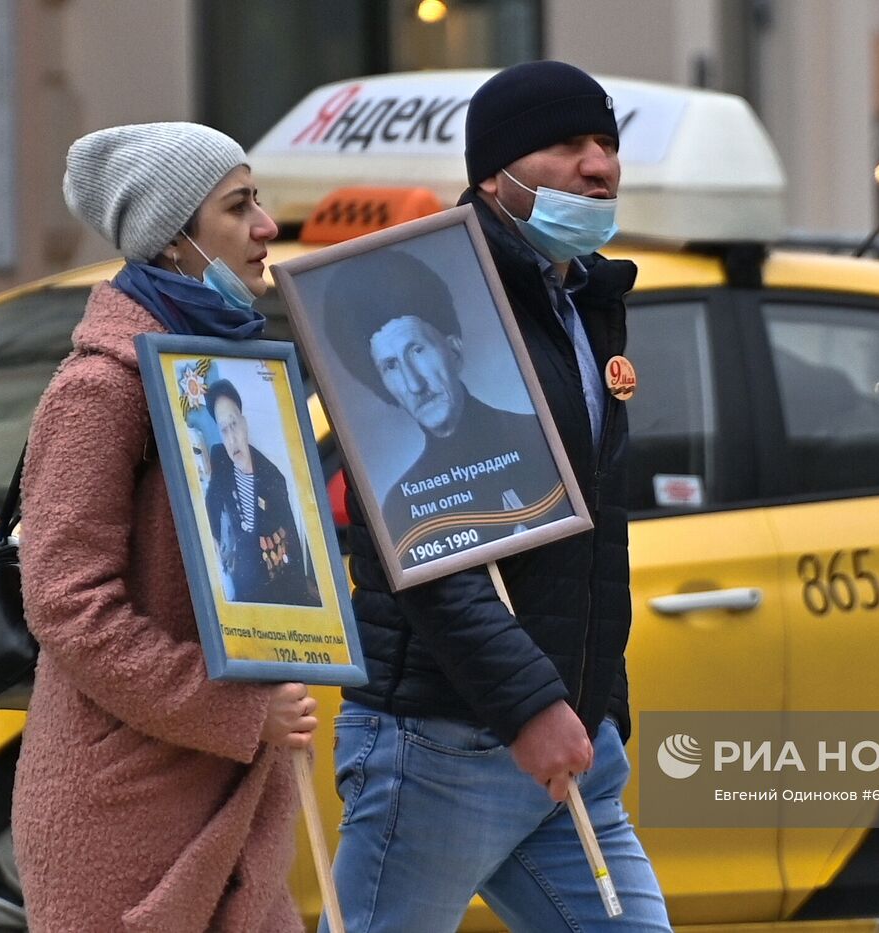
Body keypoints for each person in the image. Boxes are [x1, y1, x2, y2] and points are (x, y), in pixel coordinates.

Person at [327, 61, 672, 931]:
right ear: (496, 174)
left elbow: (587, 531)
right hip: (446, 747)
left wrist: (600, 702)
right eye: (567, 145)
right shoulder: (447, 289)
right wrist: (533, 708)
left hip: (568, 747)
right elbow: (428, 548)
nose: (599, 165)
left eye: (607, 144)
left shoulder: (582, 297)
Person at [15, 122, 318, 932]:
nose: (266, 226)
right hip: (123, 818)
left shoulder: (230, 373)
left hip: (225, 798)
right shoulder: (100, 387)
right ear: (174, 237)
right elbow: (66, 605)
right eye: (239, 204)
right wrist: (239, 709)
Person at [325, 254, 566, 559]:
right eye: (390, 366)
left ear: (454, 349)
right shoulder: (402, 507)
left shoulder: (545, 443)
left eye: (416, 349)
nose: (414, 384)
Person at [203, 378, 320, 606]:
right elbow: (212, 501)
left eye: (234, 424)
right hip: (237, 583)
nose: (232, 438)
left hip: (269, 590)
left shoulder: (272, 479)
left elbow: (292, 550)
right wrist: (216, 539)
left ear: (245, 424)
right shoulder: (220, 458)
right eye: (224, 430)